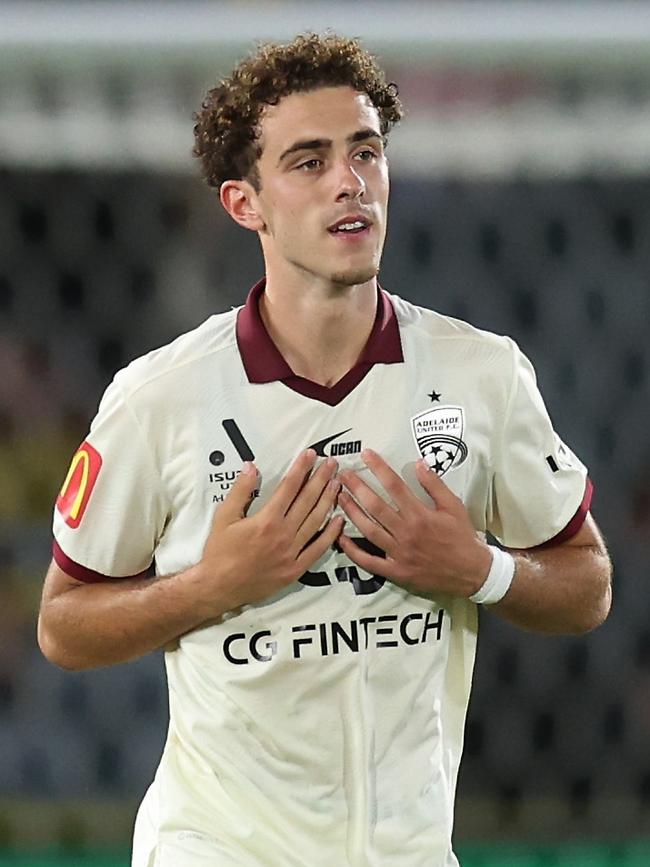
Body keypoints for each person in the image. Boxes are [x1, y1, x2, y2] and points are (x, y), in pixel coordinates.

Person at [38, 33, 612, 867]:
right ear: (246, 203)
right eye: (309, 161)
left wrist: (478, 568)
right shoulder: (157, 398)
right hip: (219, 847)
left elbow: (588, 583)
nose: (350, 181)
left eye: (366, 152)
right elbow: (62, 623)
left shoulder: (480, 374)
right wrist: (216, 583)